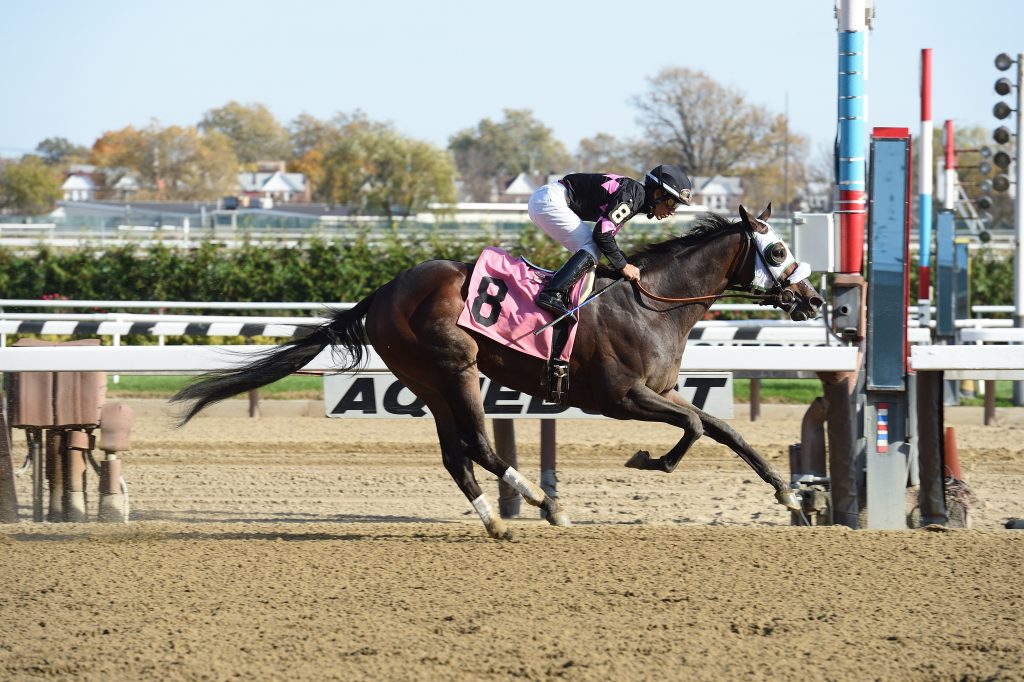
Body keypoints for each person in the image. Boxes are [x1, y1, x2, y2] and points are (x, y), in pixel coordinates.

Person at [528, 164, 693, 319]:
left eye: (676, 206)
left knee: (591, 250)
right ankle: (552, 293)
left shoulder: (635, 196)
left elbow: (607, 237)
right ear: (657, 194)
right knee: (592, 246)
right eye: (672, 203)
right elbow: (601, 234)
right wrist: (623, 265)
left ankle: (560, 291)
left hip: (548, 199)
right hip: (550, 201)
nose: (672, 212)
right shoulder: (633, 195)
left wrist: (622, 262)